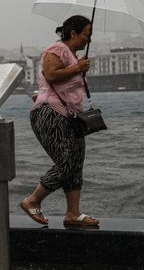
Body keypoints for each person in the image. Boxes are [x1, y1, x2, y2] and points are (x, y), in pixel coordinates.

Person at [20, 15, 99, 227]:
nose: (88, 40)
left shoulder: (72, 56)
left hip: (70, 117)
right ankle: (32, 200)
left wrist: (77, 67)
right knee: (66, 162)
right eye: (86, 35)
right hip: (50, 112)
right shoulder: (57, 49)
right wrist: (77, 68)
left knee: (76, 163)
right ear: (73, 33)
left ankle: (73, 213)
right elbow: (51, 74)